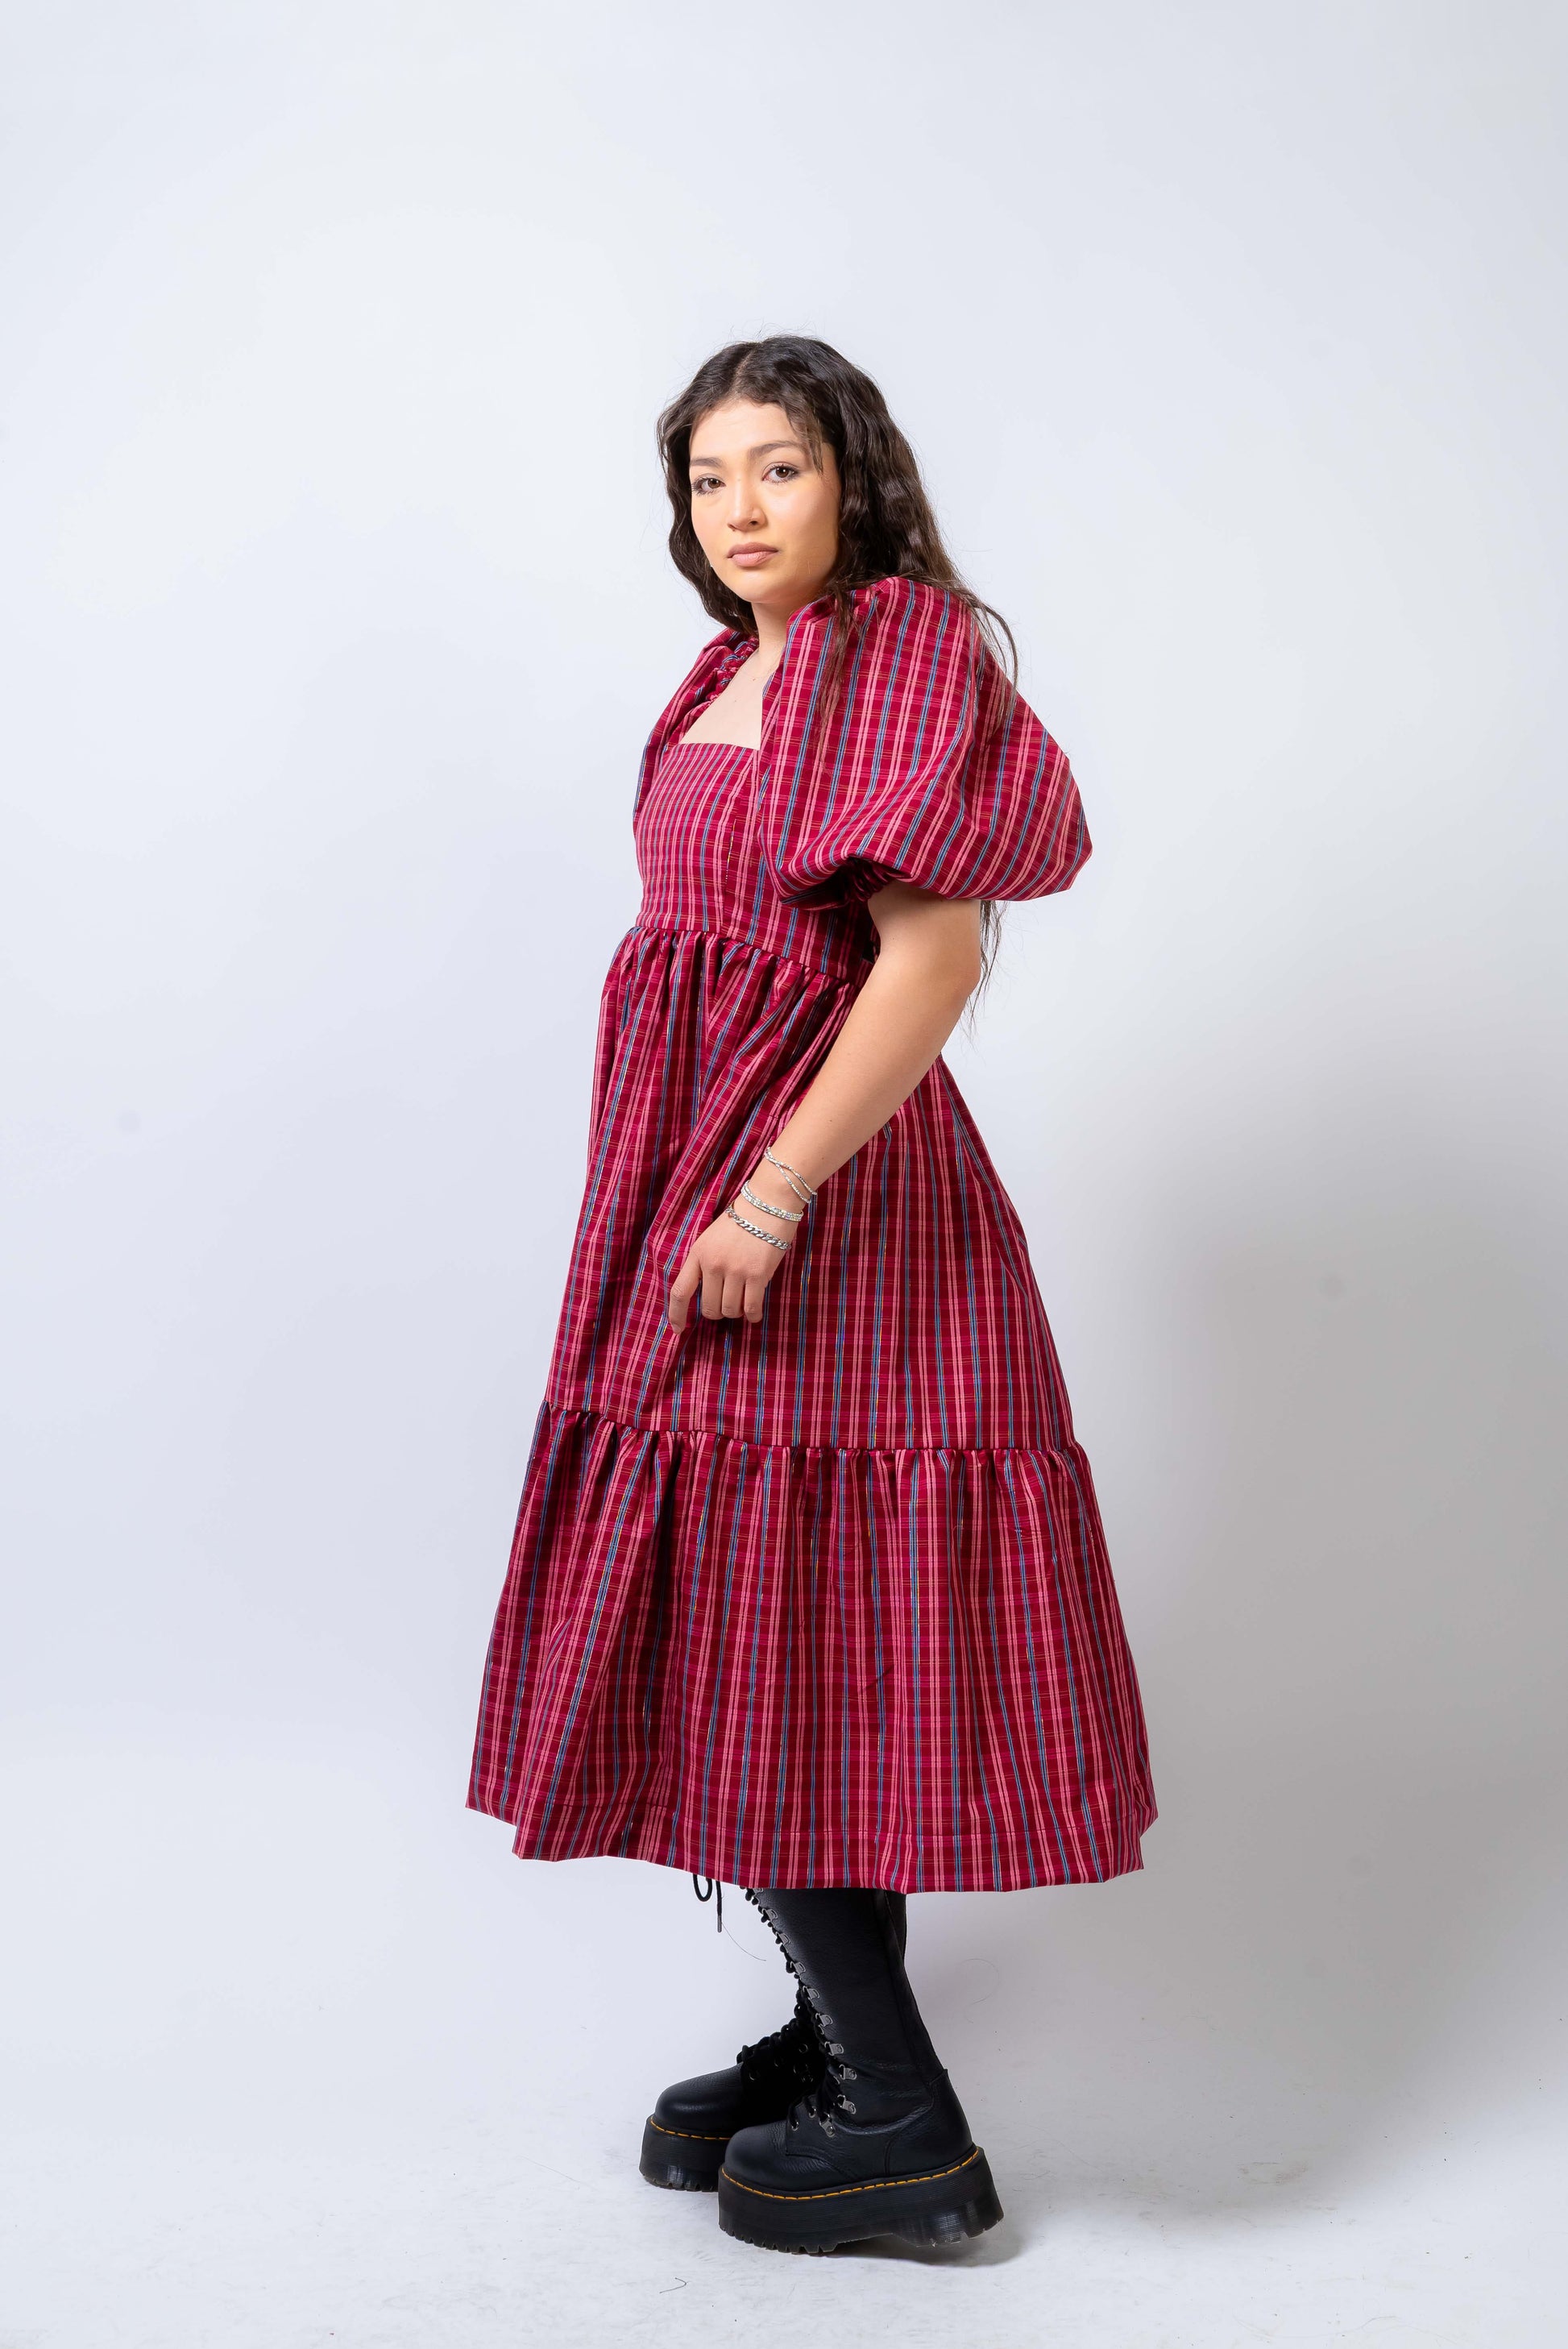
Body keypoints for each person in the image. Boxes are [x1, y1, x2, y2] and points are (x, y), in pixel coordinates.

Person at [468, 334, 1156, 2256]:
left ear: (854, 476)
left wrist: (770, 1194)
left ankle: (906, 2130)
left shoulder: (895, 653)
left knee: (754, 1611)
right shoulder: (726, 671)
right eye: (707, 478)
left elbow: (931, 962)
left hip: (824, 1205)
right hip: (692, 1184)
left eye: (776, 466)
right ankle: (841, 2043)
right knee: (783, 1623)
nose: (740, 508)